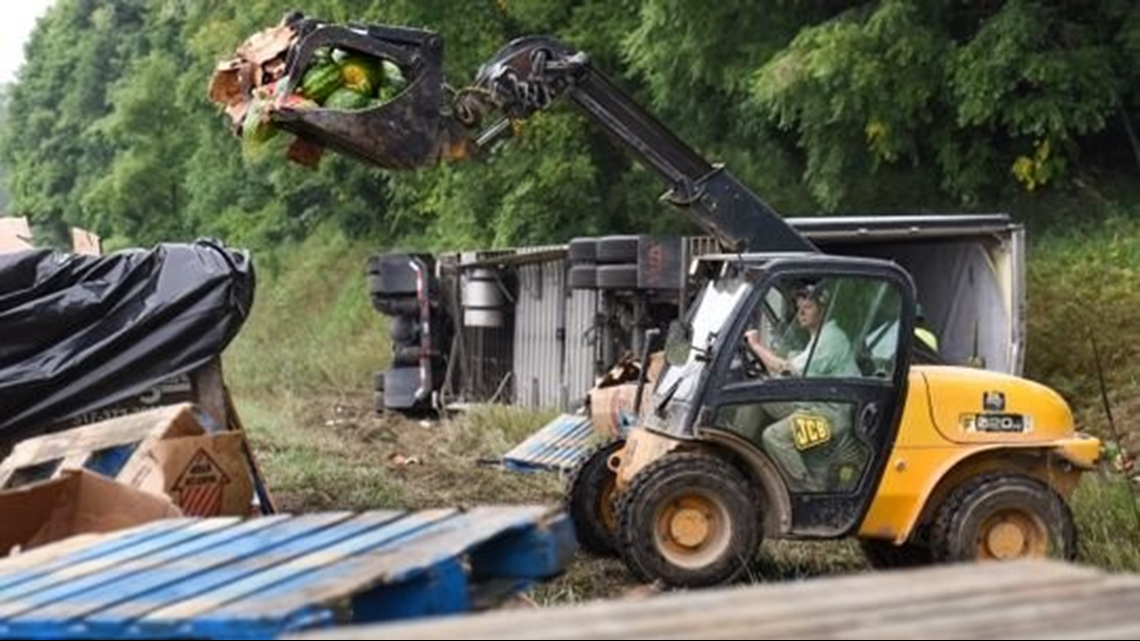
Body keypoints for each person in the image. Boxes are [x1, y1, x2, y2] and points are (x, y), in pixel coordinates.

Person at [743, 283, 861, 491]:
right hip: (815, 405)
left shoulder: (830, 338)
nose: (801, 313)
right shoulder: (817, 338)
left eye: (808, 307)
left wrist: (756, 346)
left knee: (775, 437)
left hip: (831, 418)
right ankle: (743, 462)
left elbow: (786, 369)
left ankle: (809, 492)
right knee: (758, 397)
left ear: (823, 310)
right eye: (799, 308)